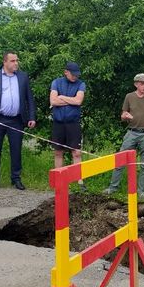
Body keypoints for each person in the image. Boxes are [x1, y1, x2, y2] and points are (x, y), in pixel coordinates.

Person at [104, 73, 144, 199]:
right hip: (131, 133)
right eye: (142, 84)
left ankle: (141, 192)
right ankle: (113, 188)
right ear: (136, 84)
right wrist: (125, 116)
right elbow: (123, 115)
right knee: (120, 160)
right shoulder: (129, 97)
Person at [0, 51, 36, 192]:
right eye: (12, 61)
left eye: (17, 60)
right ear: (4, 62)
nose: (16, 63)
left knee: (16, 150)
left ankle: (16, 178)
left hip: (16, 120)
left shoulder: (23, 77)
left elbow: (29, 98)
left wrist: (31, 117)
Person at [50, 62, 87, 191]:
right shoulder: (56, 82)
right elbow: (53, 101)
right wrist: (70, 100)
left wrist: (62, 97)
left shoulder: (81, 84)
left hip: (73, 123)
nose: (75, 77)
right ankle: (58, 180)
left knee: (76, 152)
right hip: (58, 123)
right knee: (58, 152)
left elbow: (78, 101)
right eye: (73, 74)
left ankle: (79, 181)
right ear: (66, 72)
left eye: (77, 75)